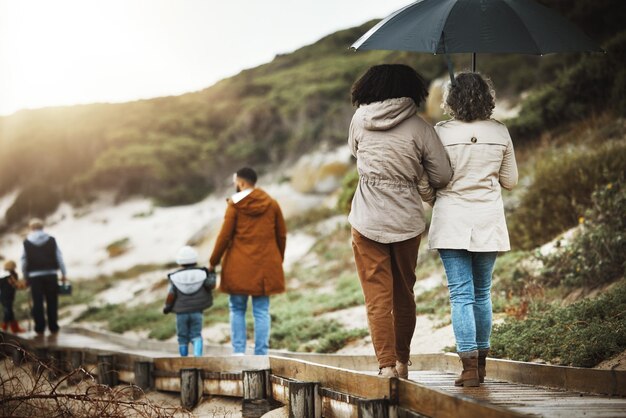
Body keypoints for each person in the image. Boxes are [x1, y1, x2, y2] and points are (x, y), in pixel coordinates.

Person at [348, 64, 453, 378]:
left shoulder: (358, 120)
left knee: (377, 296)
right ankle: (403, 362)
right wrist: (416, 172)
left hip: (366, 220)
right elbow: (443, 175)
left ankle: (386, 366)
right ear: (412, 90)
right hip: (406, 223)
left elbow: (355, 153)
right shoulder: (420, 128)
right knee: (404, 293)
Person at [428, 72, 518, 387]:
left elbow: (428, 182)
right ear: (487, 98)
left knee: (461, 295)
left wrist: (436, 198)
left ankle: (467, 370)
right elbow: (510, 181)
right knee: (482, 293)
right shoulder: (500, 132)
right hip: (487, 220)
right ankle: (481, 367)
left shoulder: (440, 133)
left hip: (451, 219)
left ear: (451, 99)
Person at [209, 167, 287, 355]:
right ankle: (261, 353)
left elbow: (224, 236)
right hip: (264, 268)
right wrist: (277, 259)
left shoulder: (234, 205)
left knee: (237, 309)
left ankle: (238, 352)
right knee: (261, 311)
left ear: (241, 183)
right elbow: (281, 235)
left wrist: (213, 261)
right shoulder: (272, 203)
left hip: (238, 266)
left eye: (236, 182)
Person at [163, 246, 216, 357]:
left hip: (181, 313)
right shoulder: (202, 273)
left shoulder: (175, 277)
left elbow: (171, 295)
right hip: (197, 311)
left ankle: (184, 359)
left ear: (180, 262)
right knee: (196, 334)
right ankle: (198, 358)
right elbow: (211, 285)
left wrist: (167, 307)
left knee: (182, 337)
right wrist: (212, 273)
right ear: (195, 260)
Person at [21, 218, 67, 336]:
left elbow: (24, 261)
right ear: (42, 227)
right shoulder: (51, 240)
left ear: (31, 228)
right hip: (51, 274)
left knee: (37, 302)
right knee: (52, 301)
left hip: (34, 276)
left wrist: (26, 276)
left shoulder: (26, 242)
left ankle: (39, 328)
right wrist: (63, 273)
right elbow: (59, 258)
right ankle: (53, 326)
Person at [1, 260, 27, 333]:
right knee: (8, 311)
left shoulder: (10, 275)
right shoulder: (10, 275)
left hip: (6, 296)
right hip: (6, 296)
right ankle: (11, 328)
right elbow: (15, 284)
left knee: (8, 311)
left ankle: (7, 328)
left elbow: (14, 284)